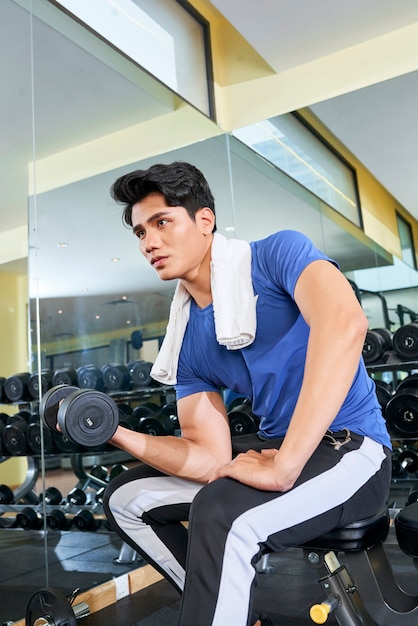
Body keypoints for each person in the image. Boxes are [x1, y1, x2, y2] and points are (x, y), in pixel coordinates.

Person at [103, 161, 392, 626]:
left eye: (162, 222)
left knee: (221, 513)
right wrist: (112, 431)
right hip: (282, 449)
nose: (148, 242)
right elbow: (206, 455)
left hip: (354, 450)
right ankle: (236, 612)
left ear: (204, 221)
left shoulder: (277, 254)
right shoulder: (187, 338)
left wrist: (284, 463)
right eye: (140, 232)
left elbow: (345, 323)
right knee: (127, 496)